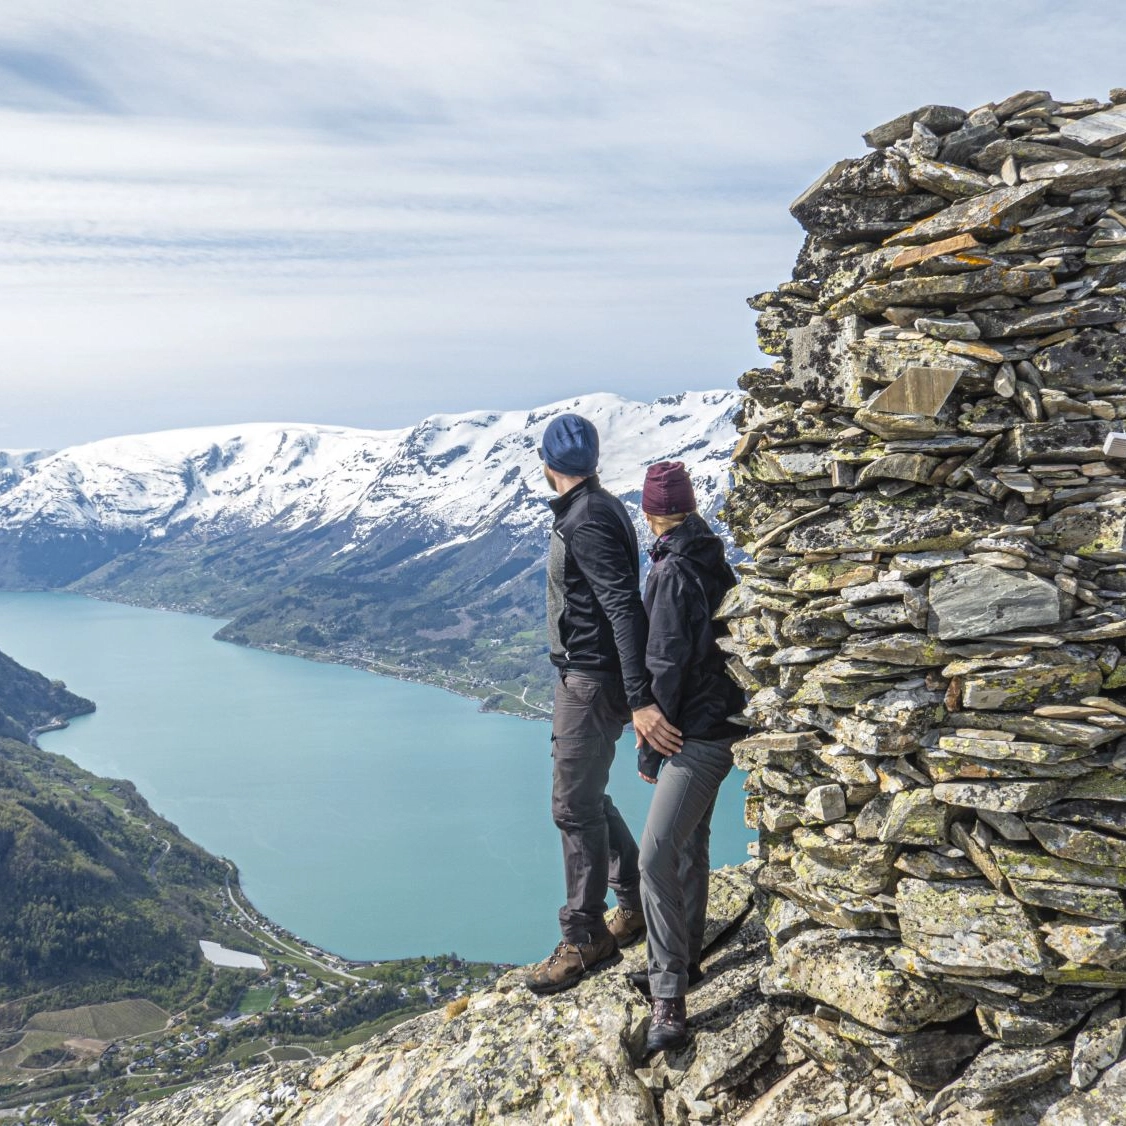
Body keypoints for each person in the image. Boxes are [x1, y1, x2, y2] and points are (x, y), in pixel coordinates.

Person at [524, 414, 683, 995]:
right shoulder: (600, 507)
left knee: (571, 807)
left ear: (547, 464)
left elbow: (622, 607)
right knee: (587, 798)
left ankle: (586, 934)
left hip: (589, 681)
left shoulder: (586, 519)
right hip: (591, 678)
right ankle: (635, 903)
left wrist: (640, 699)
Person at [631, 460, 746, 1053]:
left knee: (654, 854)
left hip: (693, 733)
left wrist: (651, 741)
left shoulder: (671, 570)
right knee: (689, 844)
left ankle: (669, 998)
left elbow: (666, 662)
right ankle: (682, 957)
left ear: (651, 516)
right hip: (720, 721)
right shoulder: (709, 554)